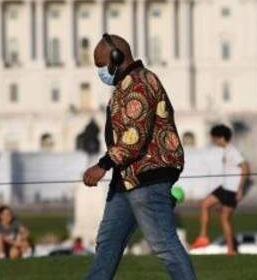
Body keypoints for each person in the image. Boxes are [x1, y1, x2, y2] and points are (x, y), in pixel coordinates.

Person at [82, 33, 195, 280]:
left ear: (115, 58)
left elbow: (134, 136)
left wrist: (102, 165)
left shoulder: (139, 84)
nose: (100, 71)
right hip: (128, 178)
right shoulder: (126, 85)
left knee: (164, 244)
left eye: (101, 65)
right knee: (107, 245)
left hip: (148, 176)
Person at [190, 124, 250, 254]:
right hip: (226, 188)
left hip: (230, 190)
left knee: (207, 207)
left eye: (214, 139)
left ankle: (204, 237)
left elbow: (245, 167)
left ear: (221, 138)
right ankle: (230, 249)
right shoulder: (227, 150)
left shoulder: (232, 151)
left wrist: (239, 189)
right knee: (222, 218)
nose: (213, 141)